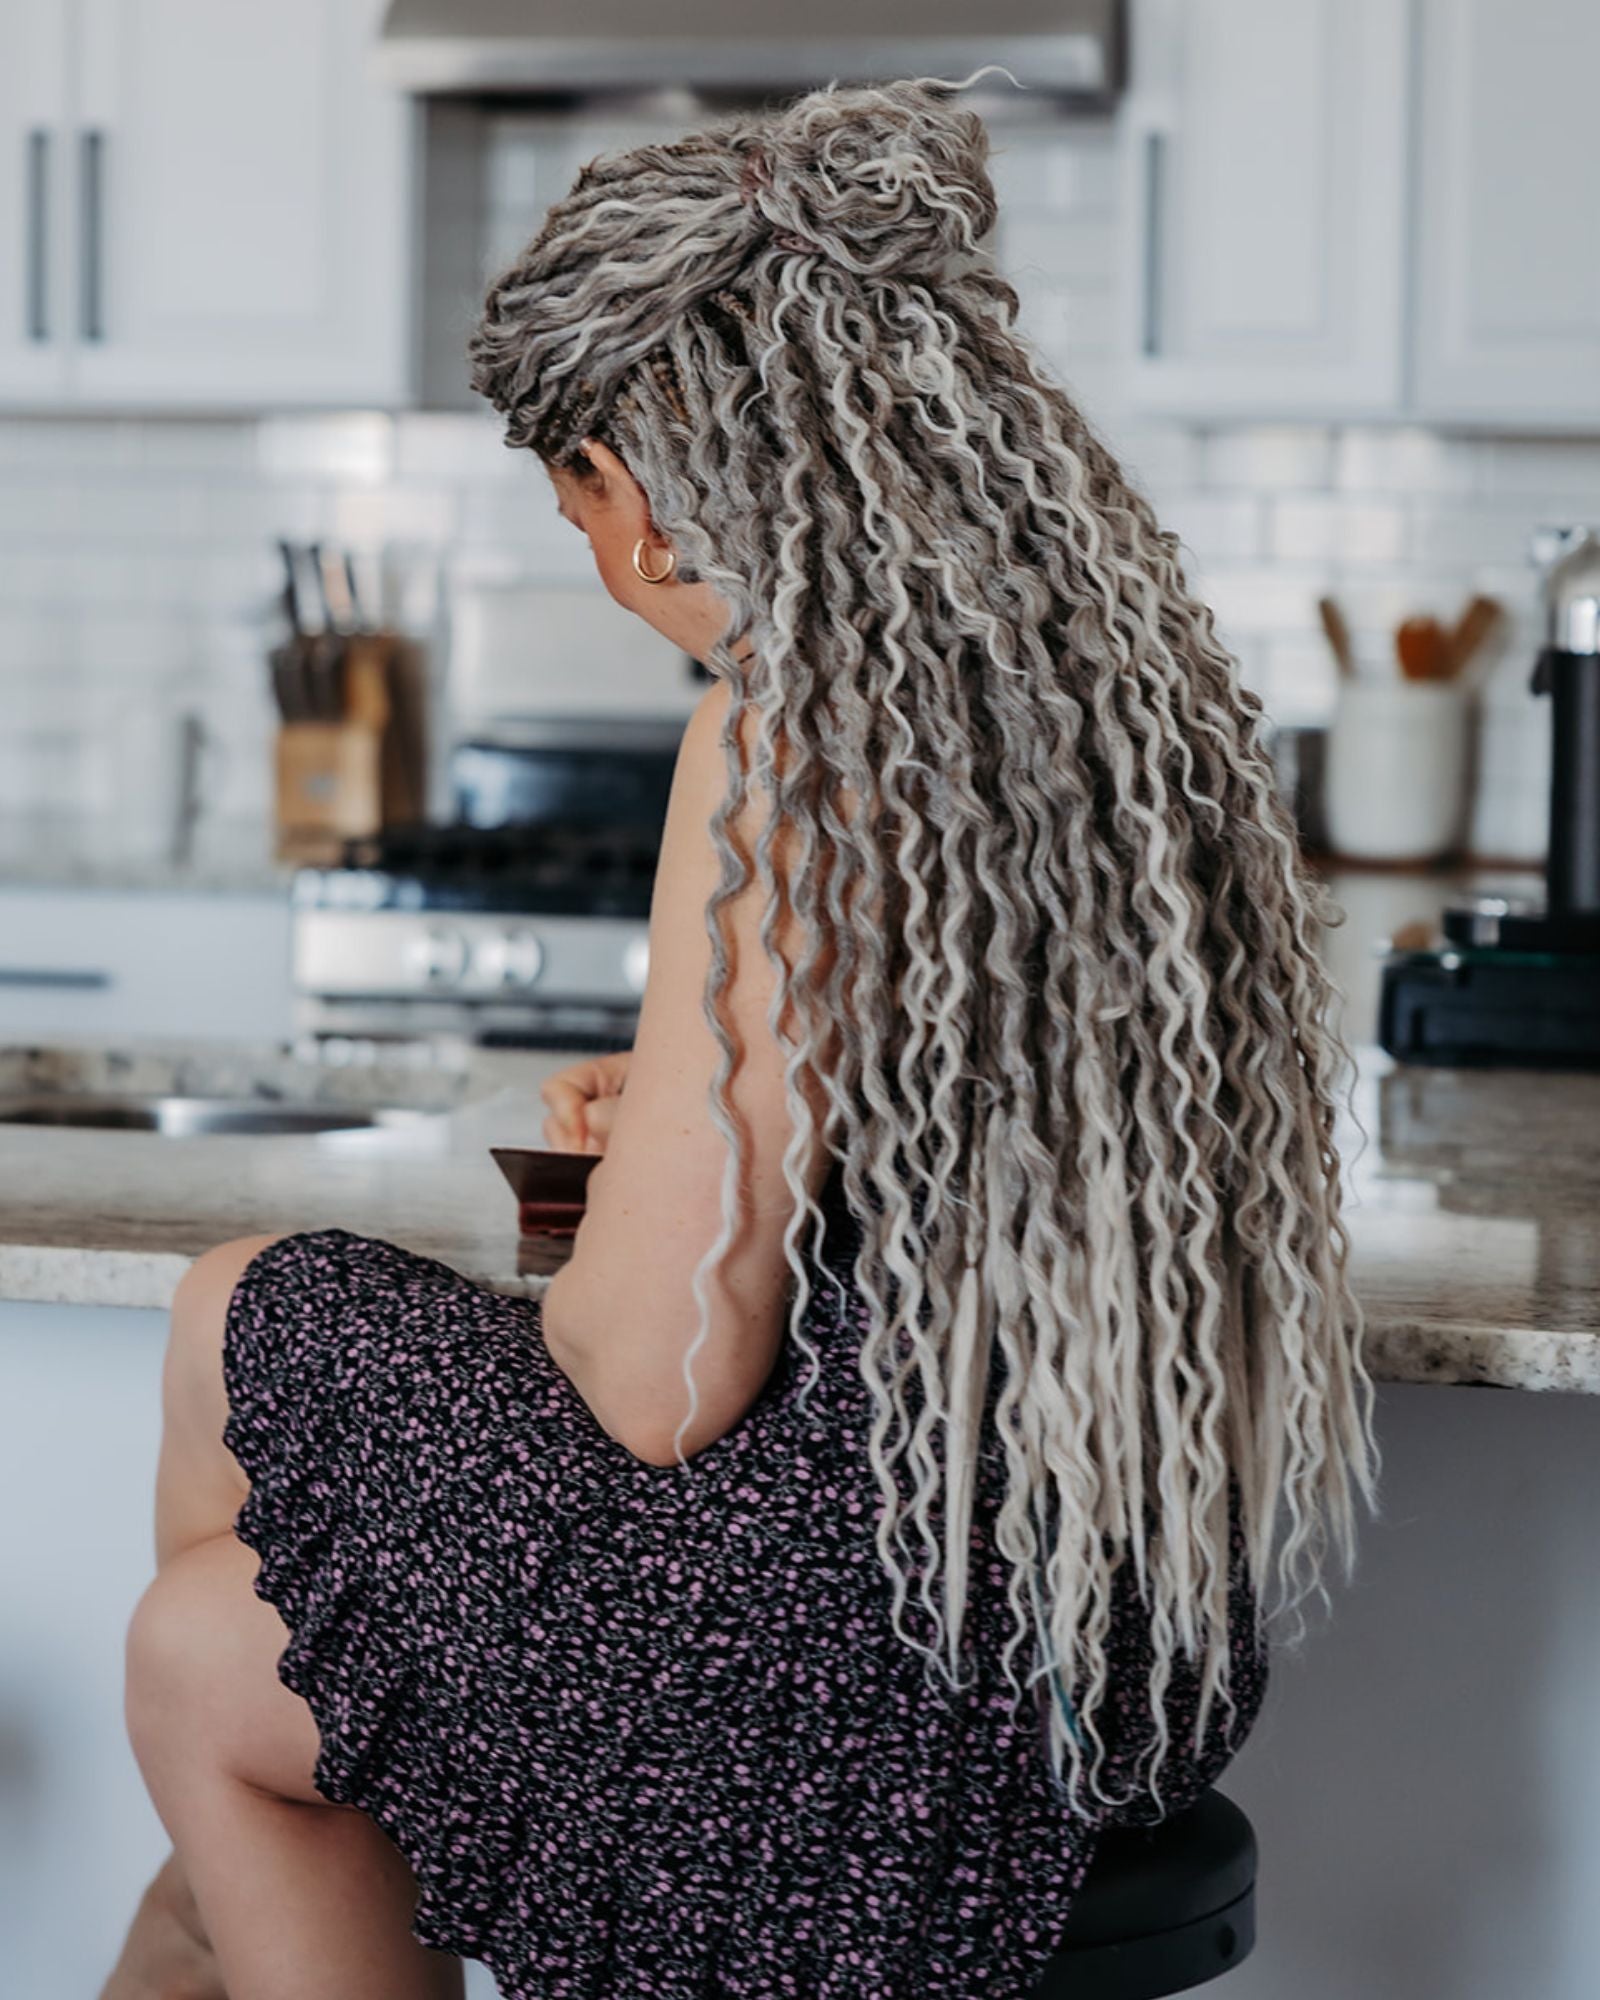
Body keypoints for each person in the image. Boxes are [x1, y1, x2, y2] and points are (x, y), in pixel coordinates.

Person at [102, 76, 1380, 2000]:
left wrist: (649, 1190)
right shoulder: (1128, 709)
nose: (605, 562)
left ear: (634, 482)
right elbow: (961, 1154)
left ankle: (197, 1925)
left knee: (232, 1354)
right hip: (1108, 1645)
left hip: (882, 1685)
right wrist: (706, 1125)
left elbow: (658, 1380)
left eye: (579, 508)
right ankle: (197, 1919)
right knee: (219, 1636)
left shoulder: (795, 729)